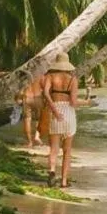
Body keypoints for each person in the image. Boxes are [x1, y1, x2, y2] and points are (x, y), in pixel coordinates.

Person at [43, 52, 79, 188]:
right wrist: (86, 102)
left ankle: (52, 172)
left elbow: (46, 94)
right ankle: (64, 181)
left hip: (55, 112)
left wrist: (55, 110)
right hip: (69, 114)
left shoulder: (50, 76)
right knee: (67, 151)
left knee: (54, 148)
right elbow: (74, 102)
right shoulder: (73, 79)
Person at [19, 74, 45, 149]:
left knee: (27, 120)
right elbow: (45, 88)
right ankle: (37, 137)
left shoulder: (25, 75)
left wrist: (19, 97)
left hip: (27, 97)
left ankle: (30, 142)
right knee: (39, 120)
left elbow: (21, 91)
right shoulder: (41, 75)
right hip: (37, 98)